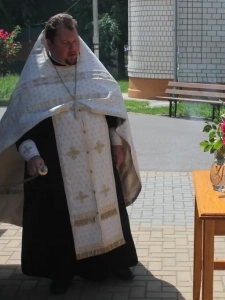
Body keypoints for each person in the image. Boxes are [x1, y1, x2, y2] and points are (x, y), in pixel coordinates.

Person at [0, 13, 142, 295]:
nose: (73, 48)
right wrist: (32, 156)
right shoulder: (33, 85)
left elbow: (112, 112)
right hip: (58, 170)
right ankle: (62, 272)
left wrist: (116, 142)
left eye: (75, 41)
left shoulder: (94, 73)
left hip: (100, 163)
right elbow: (22, 129)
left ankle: (115, 261)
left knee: (108, 213)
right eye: (65, 43)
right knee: (61, 222)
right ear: (48, 44)